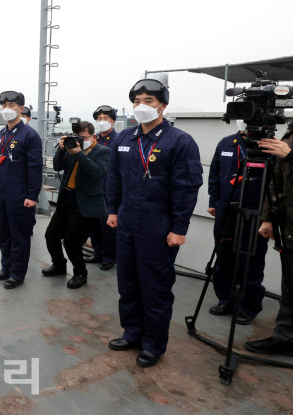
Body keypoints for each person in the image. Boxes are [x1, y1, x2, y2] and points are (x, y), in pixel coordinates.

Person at [105, 79, 203, 367]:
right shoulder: (125, 138)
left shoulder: (180, 141)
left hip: (158, 227)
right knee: (128, 282)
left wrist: (179, 228)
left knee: (155, 287)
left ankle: (153, 344)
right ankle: (132, 332)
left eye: (148, 100)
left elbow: (187, 188)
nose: (141, 106)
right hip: (126, 222)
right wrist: (112, 210)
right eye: (137, 101)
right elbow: (113, 178)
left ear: (163, 104)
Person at [207, 120, 267, 325]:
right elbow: (214, 174)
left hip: (254, 211)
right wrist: (213, 201)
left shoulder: (267, 145)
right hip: (226, 207)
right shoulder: (226, 143)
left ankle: (248, 305)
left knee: (251, 259)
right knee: (223, 255)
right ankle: (225, 299)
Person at [43, 121, 110, 288]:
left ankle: (81, 273)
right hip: (67, 199)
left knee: (72, 242)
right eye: (78, 137)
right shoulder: (72, 148)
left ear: (93, 136)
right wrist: (61, 148)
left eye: (84, 137)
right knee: (51, 235)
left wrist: (79, 153)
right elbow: (58, 166)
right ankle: (59, 265)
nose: (80, 140)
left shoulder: (103, 151)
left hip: (86, 204)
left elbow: (97, 173)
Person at [245, 124, 293, 355]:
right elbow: (276, 179)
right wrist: (267, 218)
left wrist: (291, 155)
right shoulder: (290, 131)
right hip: (289, 225)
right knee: (290, 286)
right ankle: (285, 337)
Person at [0, 91, 43, 289]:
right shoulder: (2, 134)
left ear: (20, 109)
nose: (7, 109)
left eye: (11, 105)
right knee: (3, 232)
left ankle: (17, 273)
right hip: (2, 193)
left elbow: (35, 167)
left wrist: (32, 195)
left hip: (20, 196)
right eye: (3, 106)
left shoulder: (30, 135)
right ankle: (6, 267)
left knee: (19, 236)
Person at [86, 105, 119, 271]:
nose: (102, 122)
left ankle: (109, 257)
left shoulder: (118, 140)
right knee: (94, 224)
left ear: (113, 120)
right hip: (94, 188)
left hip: (110, 188)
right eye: (99, 119)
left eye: (105, 118)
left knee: (108, 225)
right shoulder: (94, 139)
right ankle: (97, 252)